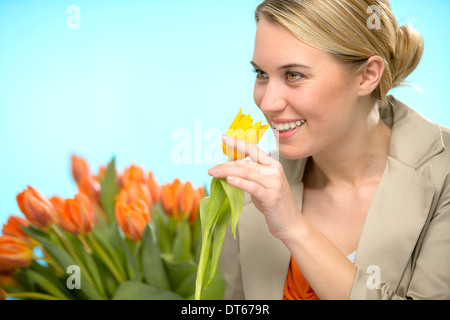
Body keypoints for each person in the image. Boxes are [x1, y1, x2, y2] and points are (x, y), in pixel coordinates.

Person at [209, 0, 450, 300]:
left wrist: (295, 228)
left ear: (367, 75)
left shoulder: (443, 175)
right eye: (261, 74)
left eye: (293, 75)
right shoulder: (251, 192)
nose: (267, 103)